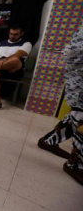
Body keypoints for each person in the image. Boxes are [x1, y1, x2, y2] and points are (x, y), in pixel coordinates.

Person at [37, 24, 83, 185]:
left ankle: (50, 140)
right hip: (80, 81)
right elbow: (73, 52)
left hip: (78, 80)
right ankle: (76, 164)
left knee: (78, 115)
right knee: (81, 118)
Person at [0, 24, 32, 109]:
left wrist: (4, 60)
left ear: (21, 34)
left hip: (15, 70)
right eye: (11, 33)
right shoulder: (0, 44)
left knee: (15, 59)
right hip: (0, 67)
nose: (12, 36)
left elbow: (18, 54)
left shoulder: (26, 43)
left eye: (16, 34)